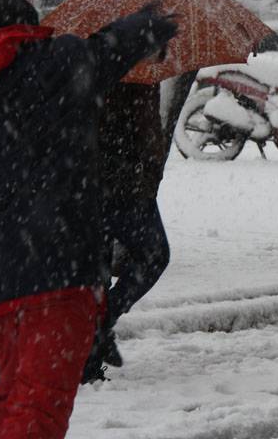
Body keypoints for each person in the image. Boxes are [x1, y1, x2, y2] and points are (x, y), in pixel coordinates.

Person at [0, 0, 178, 439]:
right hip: (59, 275)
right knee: (38, 406)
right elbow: (107, 50)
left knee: (15, 395)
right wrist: (149, 24)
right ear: (22, 23)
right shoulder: (55, 65)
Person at [82, 81, 171, 384]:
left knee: (97, 269)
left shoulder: (85, 59)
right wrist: (148, 172)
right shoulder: (137, 72)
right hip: (123, 183)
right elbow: (146, 132)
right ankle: (102, 322)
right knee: (154, 254)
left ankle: (89, 358)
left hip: (90, 177)